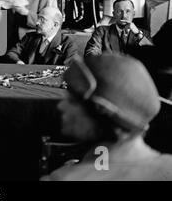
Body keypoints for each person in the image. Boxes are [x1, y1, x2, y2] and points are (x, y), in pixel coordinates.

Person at [42, 54, 172, 181]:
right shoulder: (168, 167)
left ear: (103, 113)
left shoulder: (64, 177)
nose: (61, 106)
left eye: (73, 101)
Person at [6, 7, 77, 65]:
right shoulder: (30, 37)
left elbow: (68, 70)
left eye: (42, 19)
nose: (37, 22)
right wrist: (18, 62)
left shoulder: (68, 44)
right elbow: (12, 53)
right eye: (38, 18)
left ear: (55, 25)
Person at [85, 0, 152, 57]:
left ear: (134, 14)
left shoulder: (144, 34)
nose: (124, 16)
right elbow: (90, 52)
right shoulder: (102, 31)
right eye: (119, 11)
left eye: (128, 11)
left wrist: (138, 34)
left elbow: (153, 55)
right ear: (113, 14)